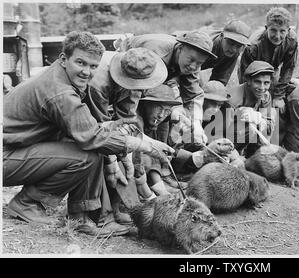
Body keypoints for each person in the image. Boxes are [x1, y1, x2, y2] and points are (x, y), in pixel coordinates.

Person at [2, 31, 174, 237]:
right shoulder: (61, 92)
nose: (87, 72)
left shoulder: (62, 76)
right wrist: (143, 146)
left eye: (93, 66)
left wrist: (145, 140)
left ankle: (79, 215)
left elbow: (91, 126)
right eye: (81, 63)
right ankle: (28, 203)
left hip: (19, 147)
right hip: (7, 155)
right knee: (88, 154)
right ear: (64, 59)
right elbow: (92, 136)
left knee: (89, 146)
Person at [83, 47, 168, 226]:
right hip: (82, 122)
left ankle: (117, 207)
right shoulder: (98, 82)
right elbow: (101, 132)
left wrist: (134, 153)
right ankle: (99, 214)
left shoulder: (138, 76)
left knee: (124, 153)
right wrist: (112, 161)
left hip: (104, 125)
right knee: (102, 157)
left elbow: (127, 122)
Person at [117, 30, 217, 146]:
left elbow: (193, 95)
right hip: (132, 65)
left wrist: (197, 125)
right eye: (191, 60)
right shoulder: (154, 55)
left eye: (199, 63)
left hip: (160, 75)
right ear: (180, 48)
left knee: (164, 118)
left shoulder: (192, 64)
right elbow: (135, 89)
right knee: (134, 120)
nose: (194, 66)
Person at [238, 7, 298, 115]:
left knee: (277, 99)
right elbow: (245, 76)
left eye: (282, 31)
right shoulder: (253, 45)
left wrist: (279, 96)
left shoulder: (292, 40)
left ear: (288, 31)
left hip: (272, 70)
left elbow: (288, 68)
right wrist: (251, 98)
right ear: (266, 28)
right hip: (252, 71)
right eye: (273, 30)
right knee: (251, 104)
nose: (277, 36)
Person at [229, 60, 276, 157]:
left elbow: (269, 125)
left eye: (266, 83)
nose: (262, 88)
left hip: (251, 137)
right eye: (257, 82)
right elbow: (220, 132)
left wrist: (259, 119)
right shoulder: (233, 99)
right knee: (251, 128)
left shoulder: (265, 96)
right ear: (249, 81)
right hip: (229, 139)